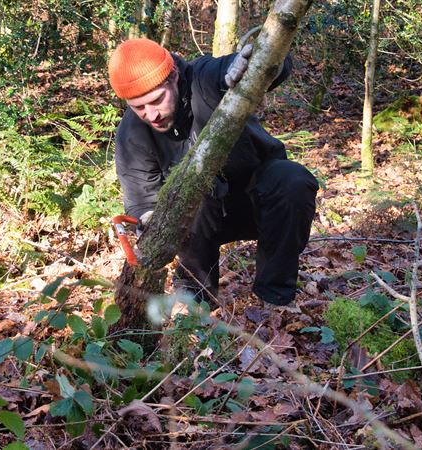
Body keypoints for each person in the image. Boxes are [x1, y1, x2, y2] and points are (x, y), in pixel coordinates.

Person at [108, 38, 318, 308]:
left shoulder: (202, 80)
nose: (151, 115)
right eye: (139, 107)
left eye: (156, 100)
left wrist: (257, 63)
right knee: (188, 194)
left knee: (292, 180)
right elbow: (140, 201)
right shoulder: (132, 135)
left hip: (257, 201)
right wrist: (150, 220)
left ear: (173, 76)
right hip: (200, 222)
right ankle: (196, 304)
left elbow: (257, 67)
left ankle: (275, 298)